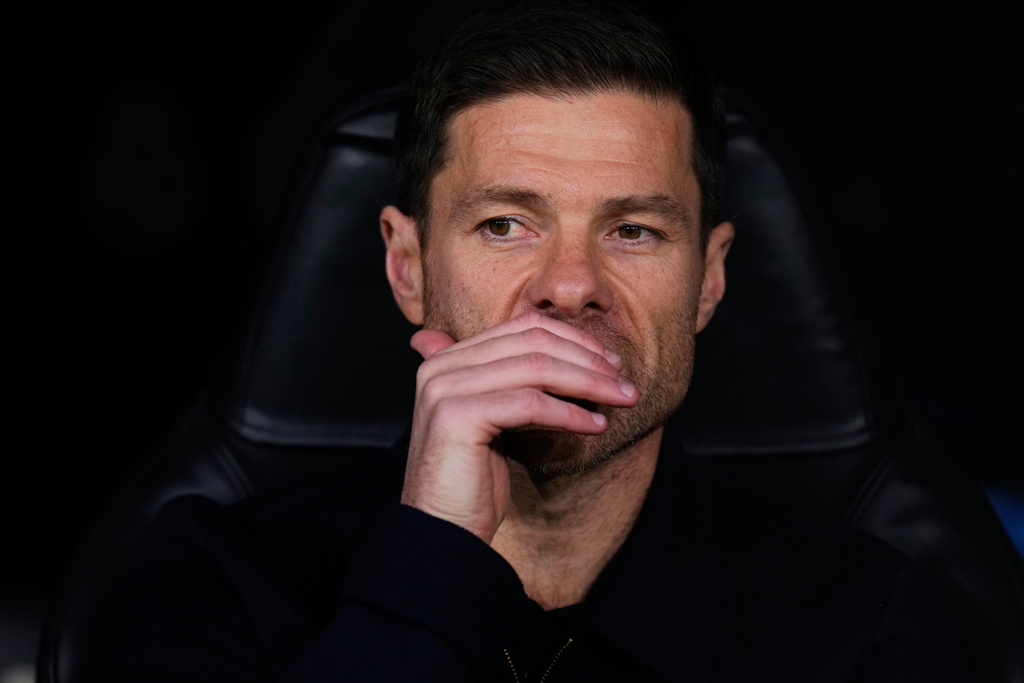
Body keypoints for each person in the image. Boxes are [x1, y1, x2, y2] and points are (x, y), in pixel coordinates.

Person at [82, 2, 967, 680]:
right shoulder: (212, 583)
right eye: (506, 224)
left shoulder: (866, 621)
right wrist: (430, 563)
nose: (571, 282)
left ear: (710, 280)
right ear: (407, 267)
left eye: (635, 231)